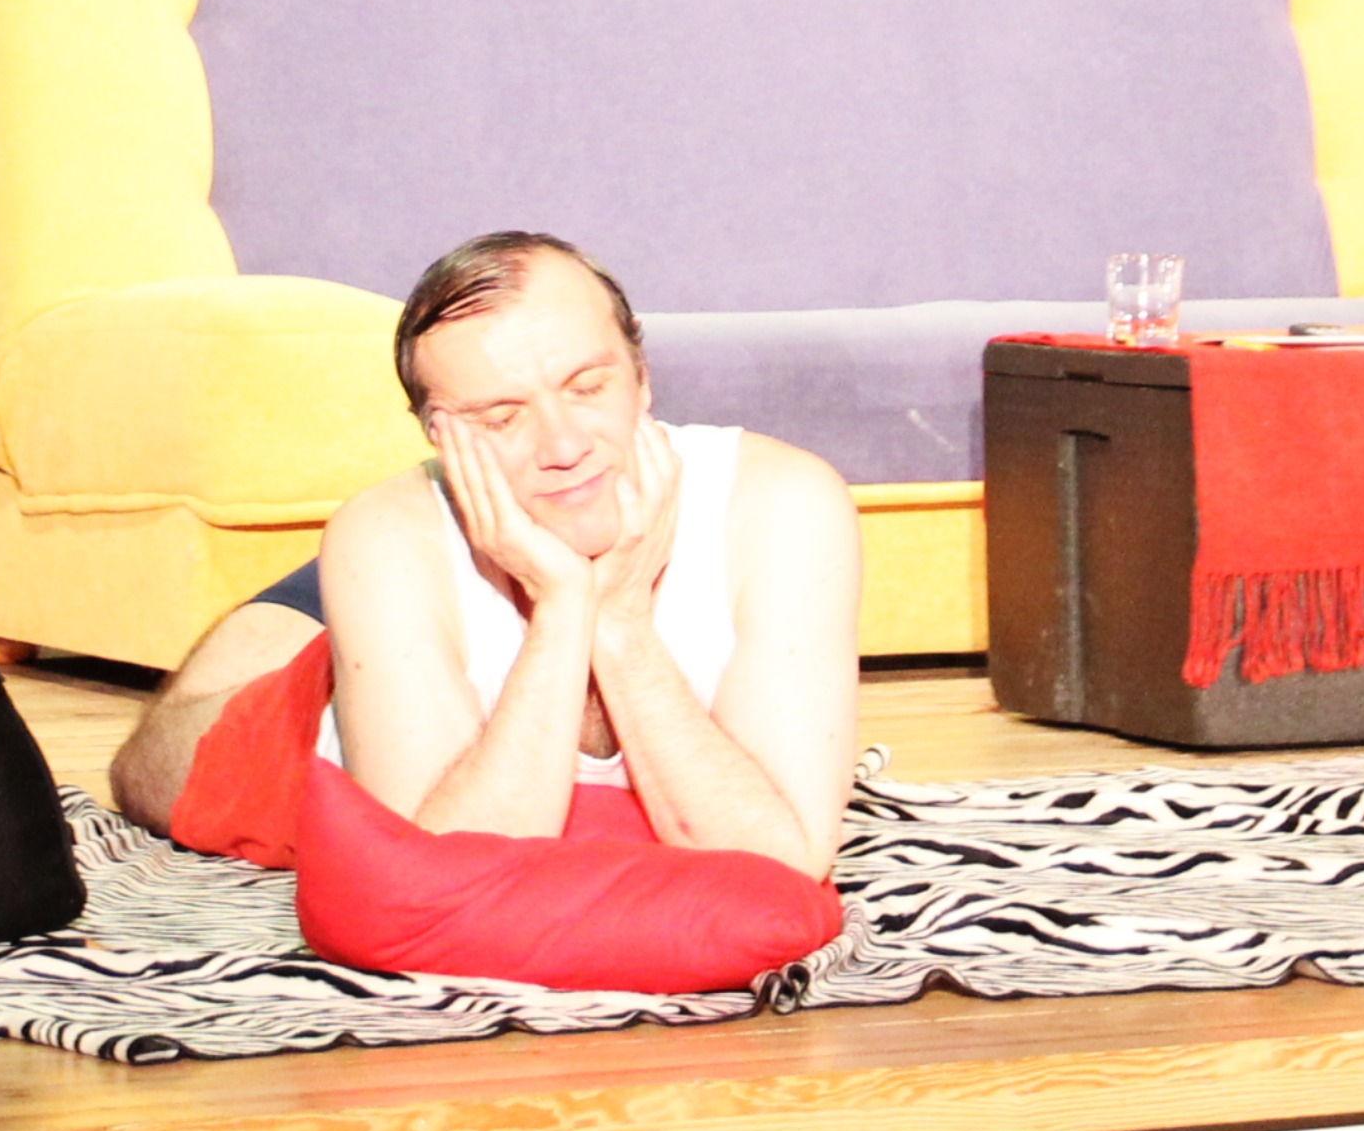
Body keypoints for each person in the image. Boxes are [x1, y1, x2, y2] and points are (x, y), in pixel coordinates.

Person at [111, 230, 864, 879]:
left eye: (587, 387)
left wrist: (619, 619)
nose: (563, 446)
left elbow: (784, 861)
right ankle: (314, 612)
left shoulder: (783, 503)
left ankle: (344, 610)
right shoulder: (386, 536)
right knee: (155, 766)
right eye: (501, 419)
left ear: (642, 376)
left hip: (428, 595)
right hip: (320, 693)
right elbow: (442, 872)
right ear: (436, 437)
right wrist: (564, 607)